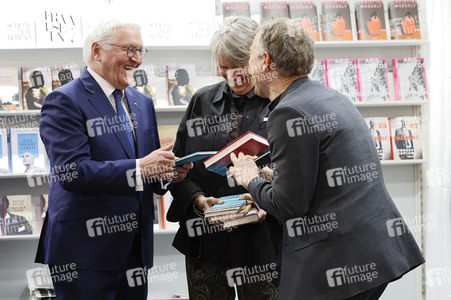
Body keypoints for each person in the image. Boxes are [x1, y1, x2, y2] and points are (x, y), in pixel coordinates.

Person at [229, 18, 424, 300]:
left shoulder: (288, 112)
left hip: (337, 264)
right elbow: (325, 173)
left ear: (266, 61)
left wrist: (251, 178)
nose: (247, 68)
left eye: (250, 57)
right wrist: (275, 177)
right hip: (373, 251)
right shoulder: (329, 96)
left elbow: (287, 206)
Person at [35, 19, 192, 300]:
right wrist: (141, 168)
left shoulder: (141, 102)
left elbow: (147, 171)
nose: (138, 59)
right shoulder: (64, 100)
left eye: (142, 51)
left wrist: (167, 174)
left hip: (136, 250)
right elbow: (72, 172)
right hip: (84, 254)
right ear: (97, 51)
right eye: (130, 49)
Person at [167, 16, 282, 299]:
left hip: (265, 243)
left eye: (240, 67)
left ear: (260, 60)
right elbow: (181, 165)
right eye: (224, 68)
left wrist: (265, 197)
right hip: (207, 241)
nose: (233, 76)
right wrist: (197, 200)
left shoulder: (282, 102)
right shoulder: (201, 101)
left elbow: (299, 169)